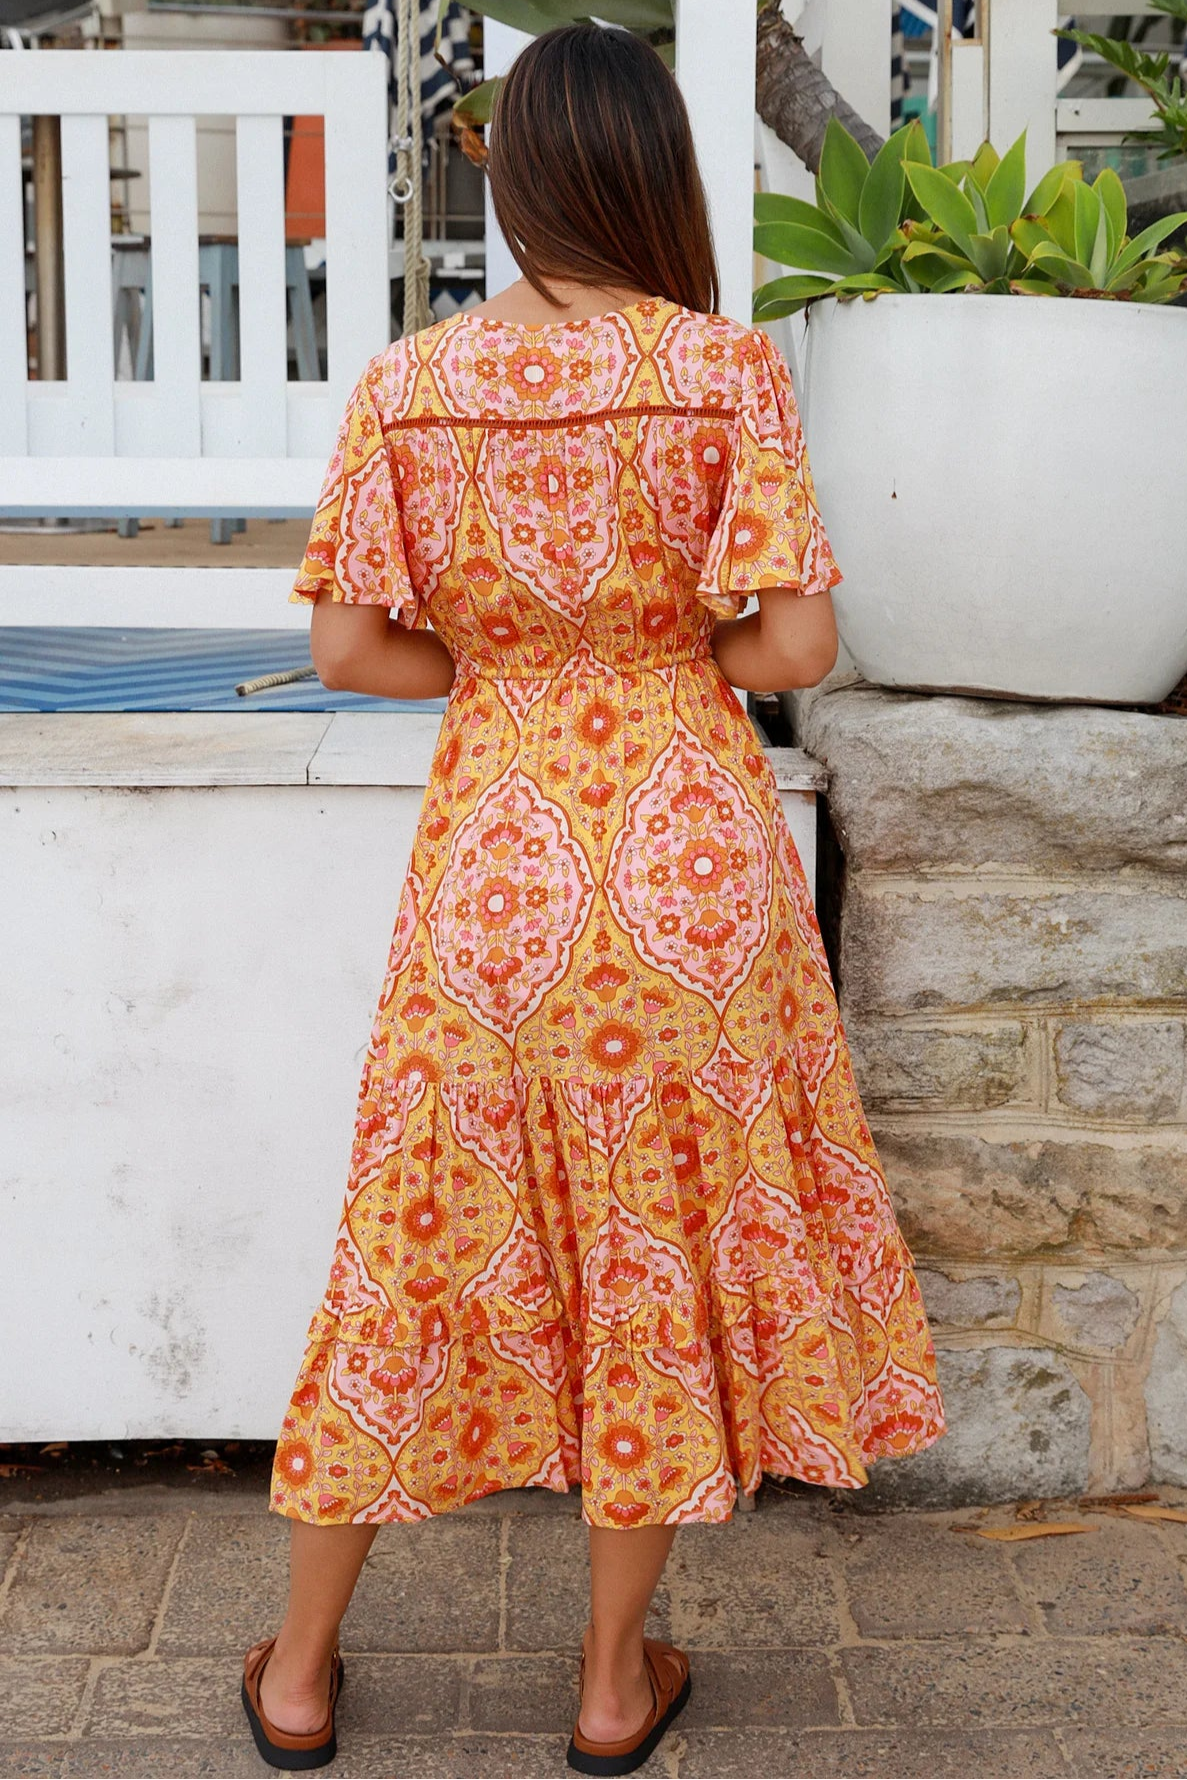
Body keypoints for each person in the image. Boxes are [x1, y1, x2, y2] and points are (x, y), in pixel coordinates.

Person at [240, 23, 945, 1776]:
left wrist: (508, 656)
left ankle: (302, 1678)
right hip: (691, 864)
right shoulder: (723, 373)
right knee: (648, 1257)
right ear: (656, 173)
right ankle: (612, 1689)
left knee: (409, 1254)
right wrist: (644, 645)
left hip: (499, 872)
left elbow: (346, 647)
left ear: (506, 175)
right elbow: (794, 644)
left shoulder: (409, 384)